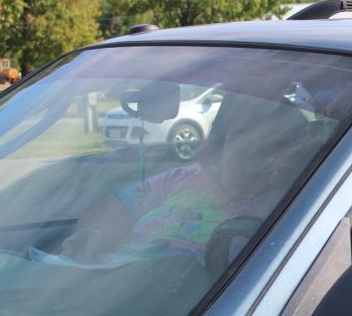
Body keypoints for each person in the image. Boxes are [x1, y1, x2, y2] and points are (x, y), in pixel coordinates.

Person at [61, 94, 310, 266]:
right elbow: (117, 206)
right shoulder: (185, 177)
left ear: (291, 155)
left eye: (275, 144)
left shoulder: (292, 209)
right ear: (221, 139)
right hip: (112, 285)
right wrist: (95, 234)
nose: (256, 150)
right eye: (245, 135)